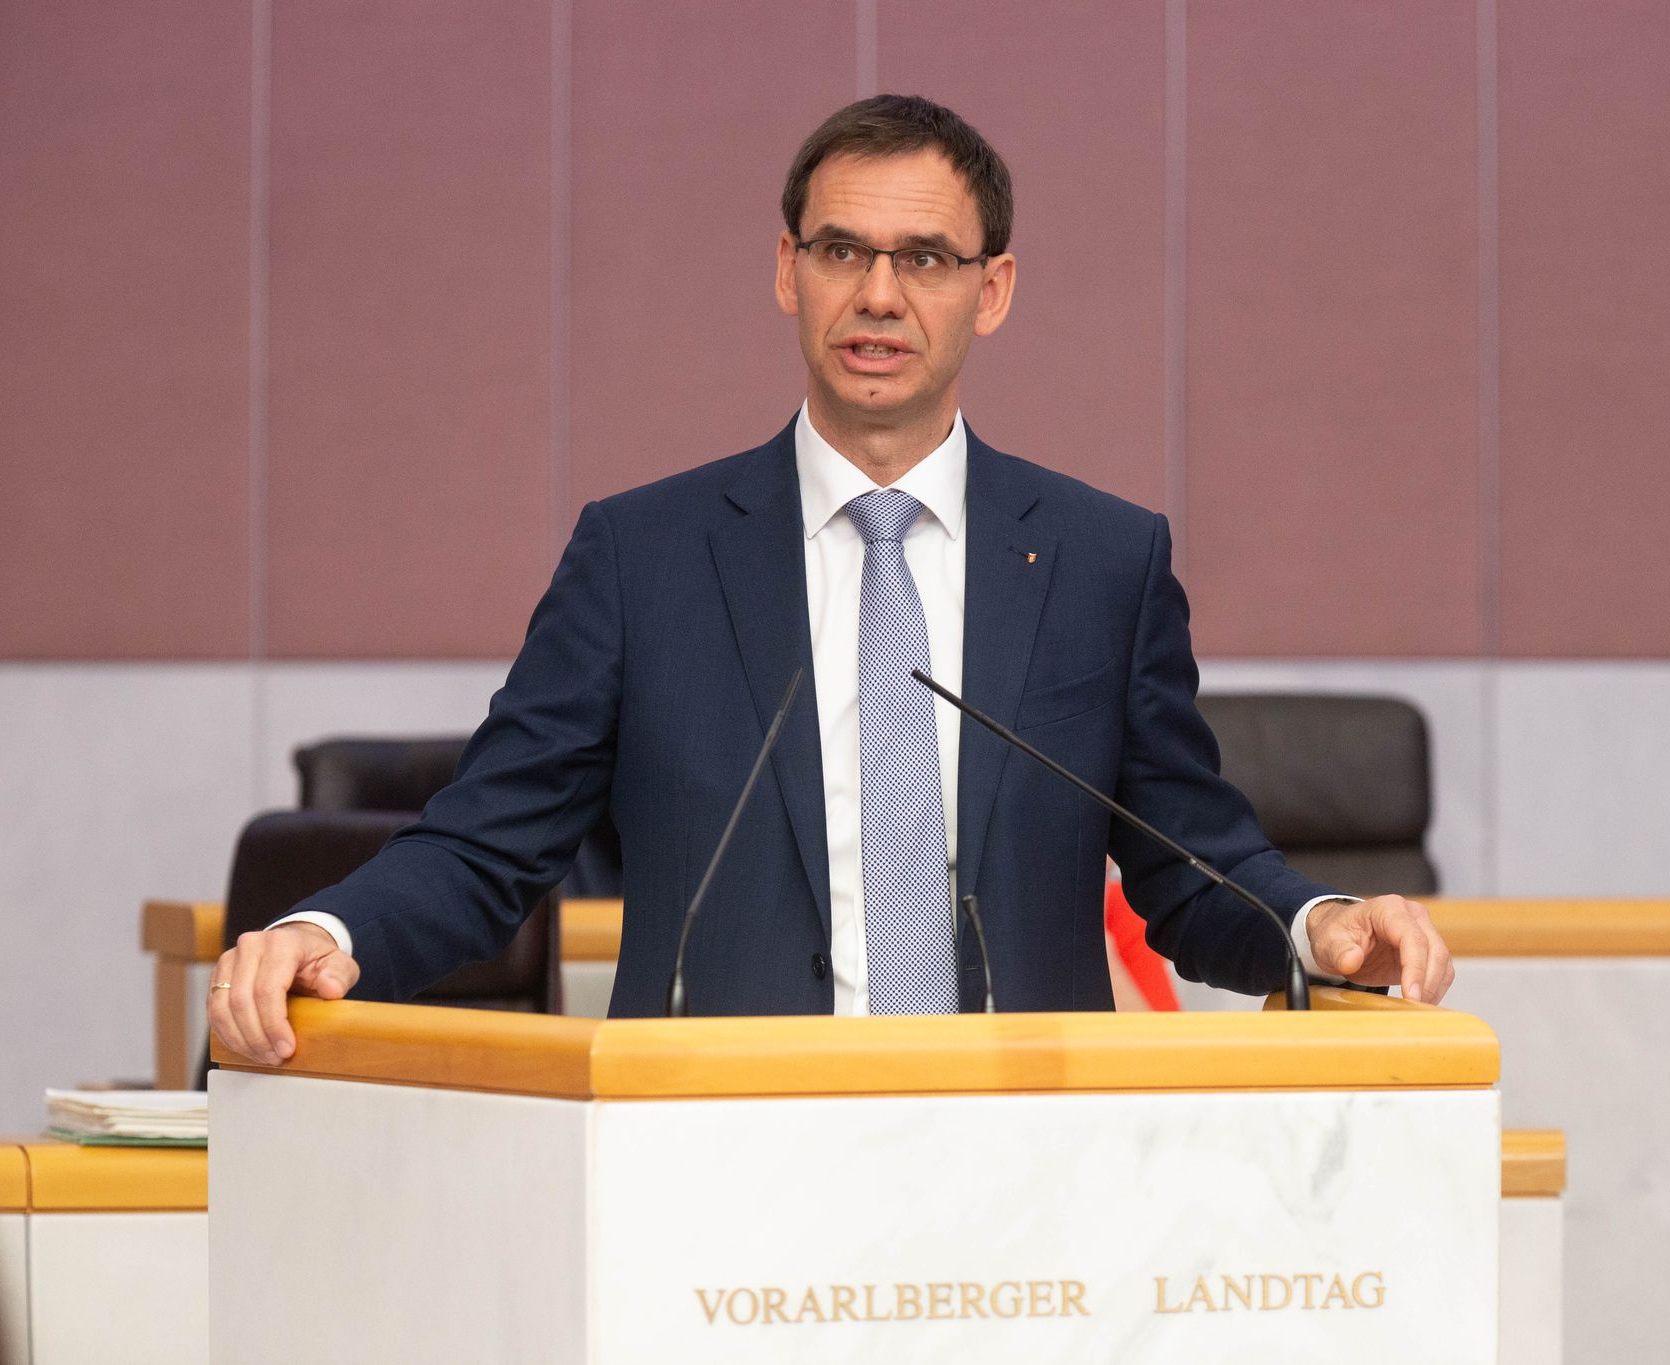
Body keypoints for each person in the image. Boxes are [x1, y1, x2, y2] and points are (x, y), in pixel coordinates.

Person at [208, 95, 1453, 1066]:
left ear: (991, 290)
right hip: (716, 1141)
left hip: (1023, 1153)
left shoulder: (1099, 561)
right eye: (842, 249)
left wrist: (1320, 926)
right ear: (785, 271)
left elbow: (1190, 864)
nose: (877, 295)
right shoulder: (643, 557)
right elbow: (489, 843)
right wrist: (325, 932)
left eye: (926, 259)